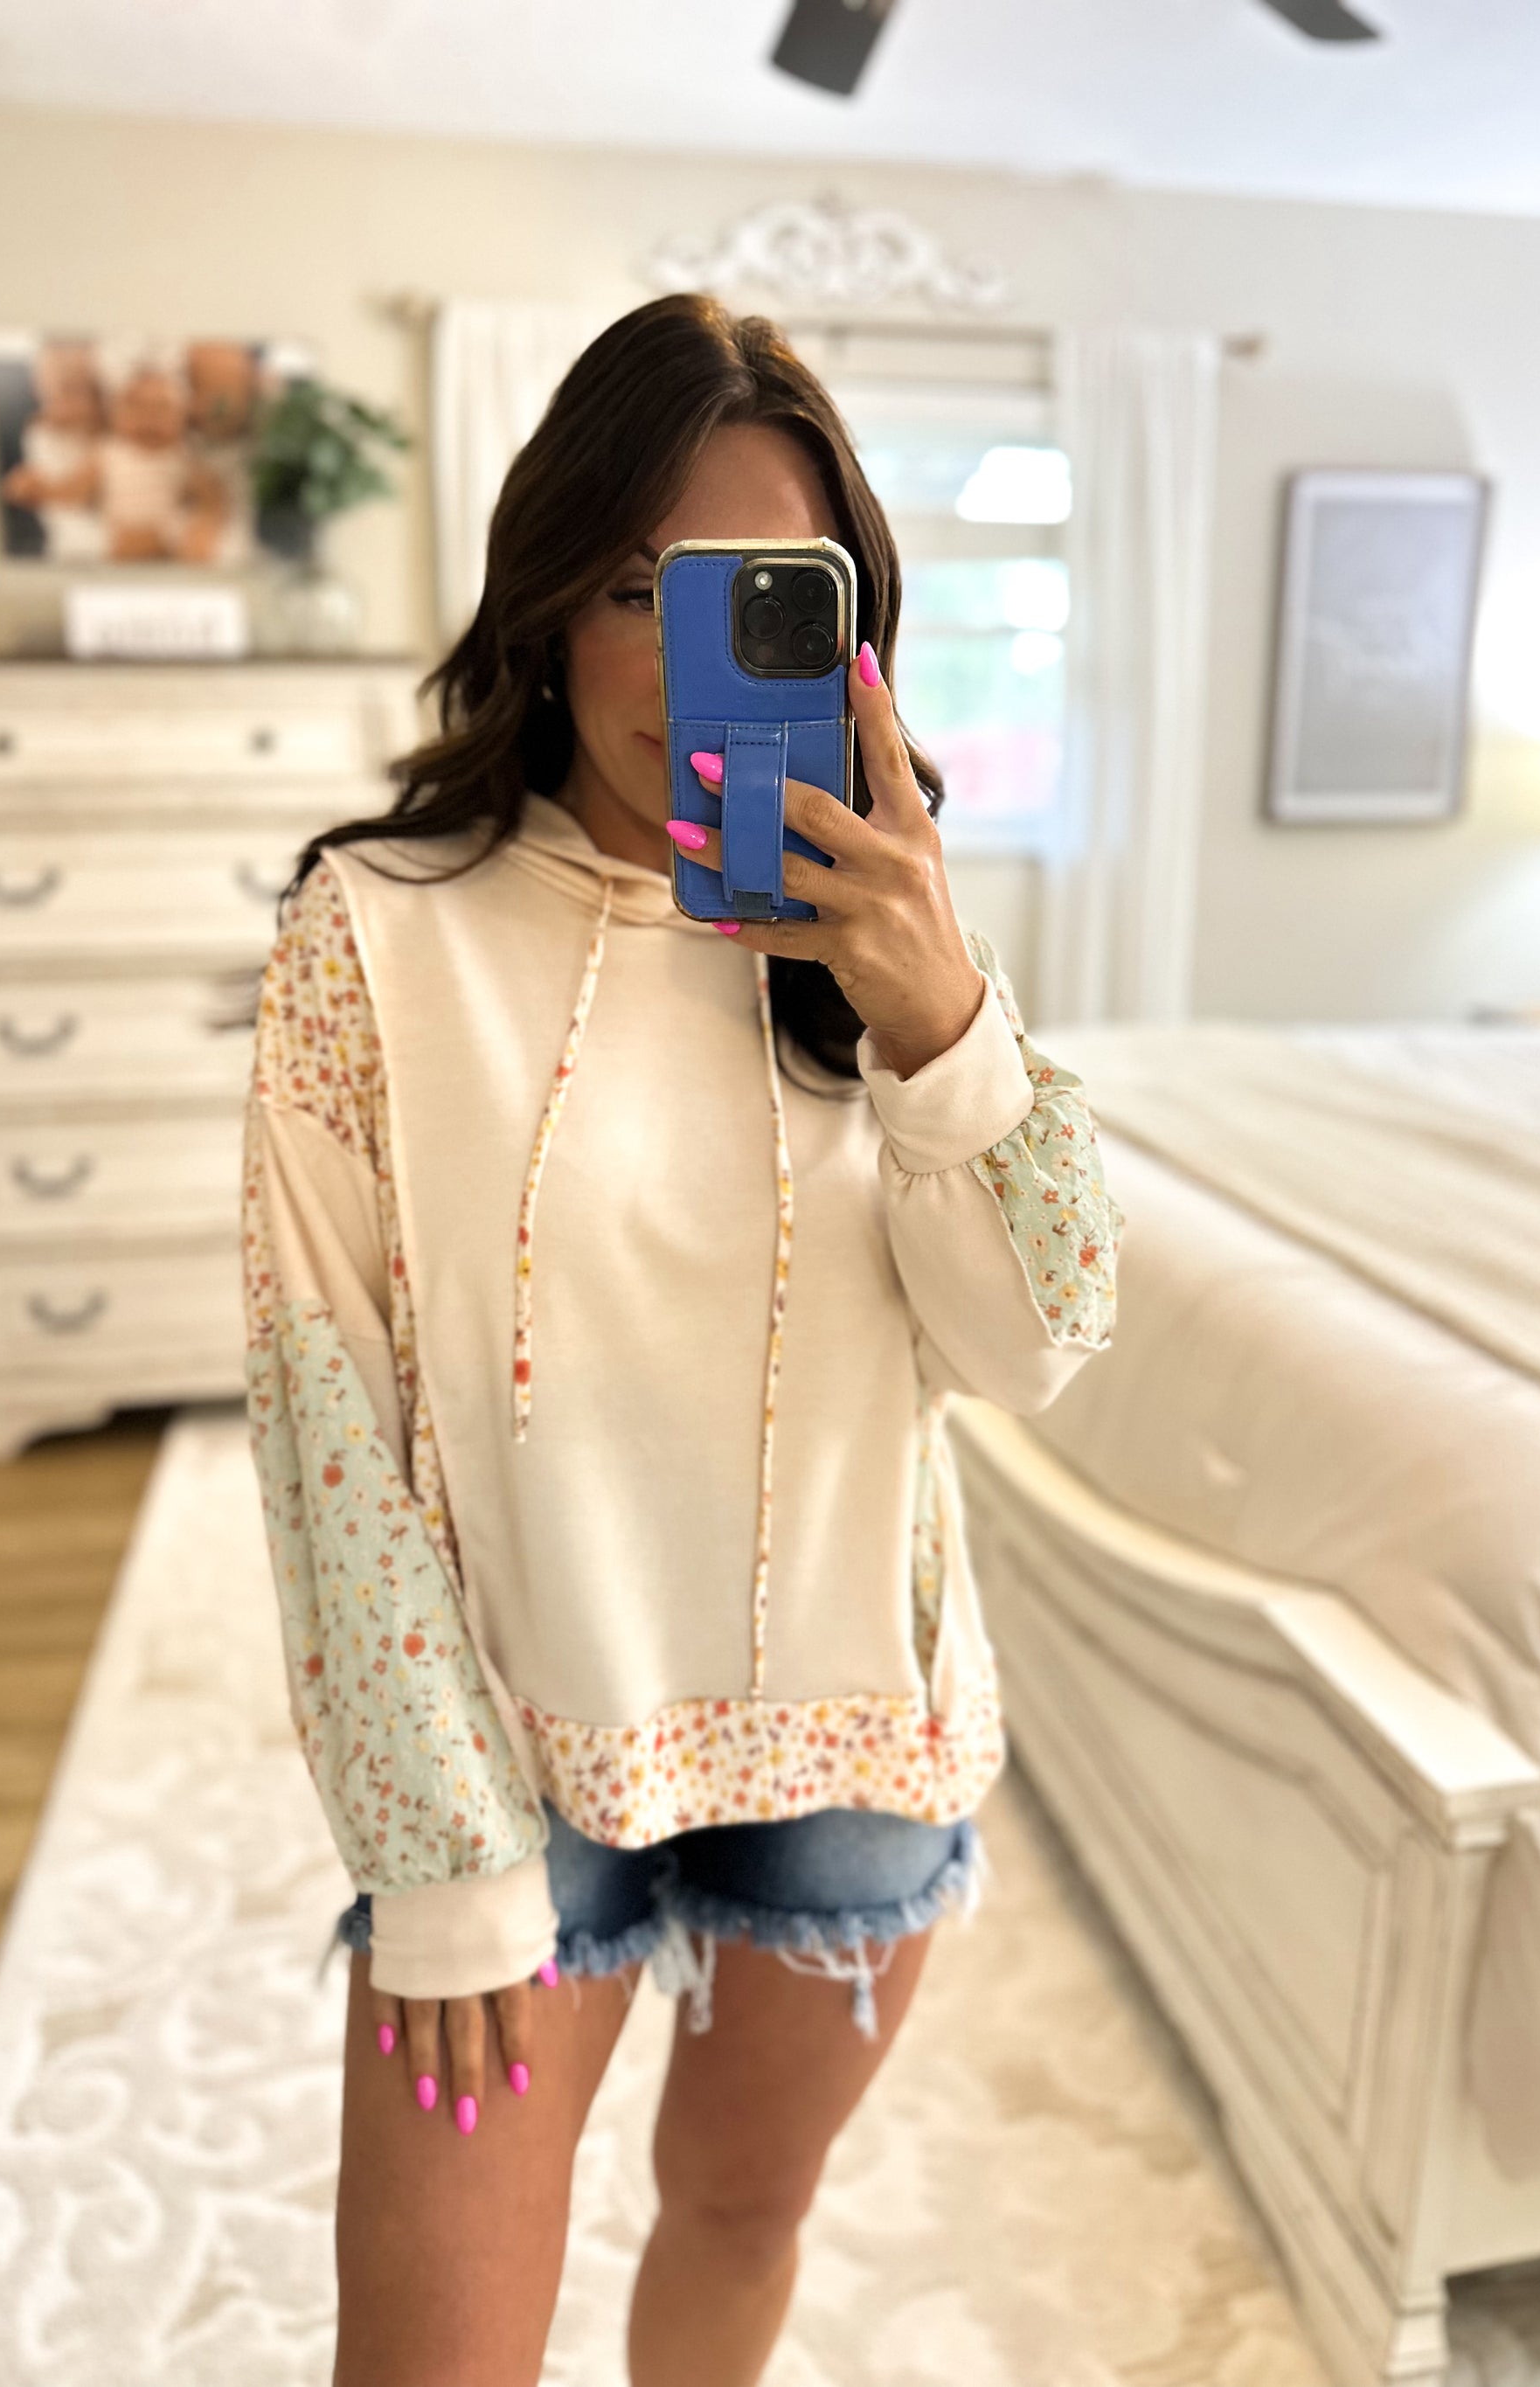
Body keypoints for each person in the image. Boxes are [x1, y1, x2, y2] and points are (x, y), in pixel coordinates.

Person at [240, 290, 1125, 2387]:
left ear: (847, 635)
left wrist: (936, 1016)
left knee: (741, 2215)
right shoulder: (374, 930)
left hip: (853, 1743)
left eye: (758, 596)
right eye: (640, 586)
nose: (679, 656)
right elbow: (321, 1415)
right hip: (508, 1753)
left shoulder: (894, 935)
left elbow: (1042, 1340)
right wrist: (440, 1860)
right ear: (546, 600)